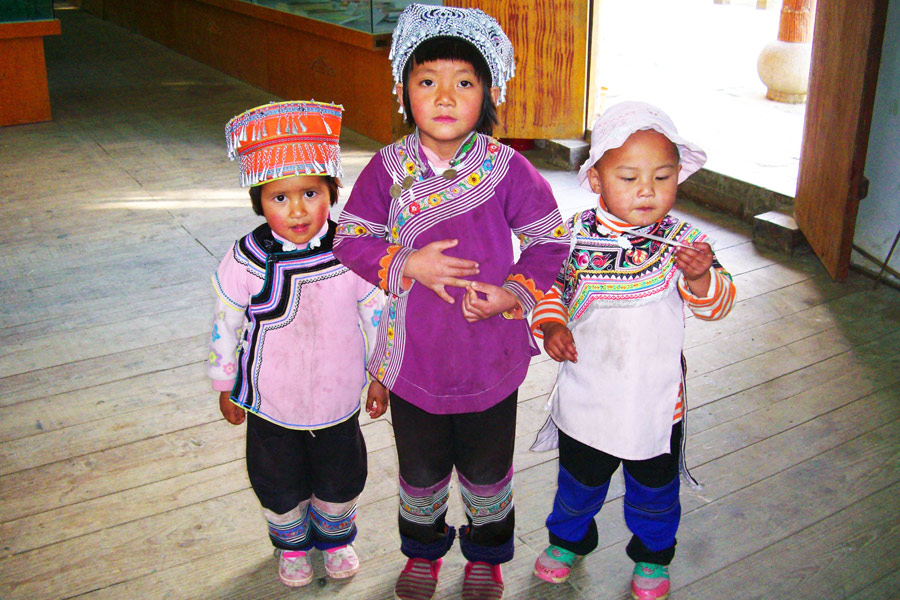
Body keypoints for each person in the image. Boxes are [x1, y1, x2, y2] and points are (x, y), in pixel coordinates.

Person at [332, 5, 570, 599]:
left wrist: (512, 292)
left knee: (489, 471)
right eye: (427, 81)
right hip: (414, 360)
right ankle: (423, 551)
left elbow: (550, 241)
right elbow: (350, 238)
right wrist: (405, 261)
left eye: (464, 82)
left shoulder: (509, 168)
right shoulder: (387, 169)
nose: (444, 96)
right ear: (404, 92)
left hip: (490, 355)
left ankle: (487, 557)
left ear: (489, 93)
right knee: (419, 470)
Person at [529, 101, 737, 600]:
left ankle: (652, 554)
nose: (647, 189)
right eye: (628, 177)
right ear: (597, 180)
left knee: (654, 493)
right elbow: (545, 286)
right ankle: (568, 538)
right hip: (588, 393)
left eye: (663, 176)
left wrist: (700, 275)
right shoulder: (572, 235)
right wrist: (552, 322)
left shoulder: (684, 242)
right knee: (578, 481)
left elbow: (718, 305)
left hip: (657, 402)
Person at [208, 100, 388, 588]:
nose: (298, 209)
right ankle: (291, 544)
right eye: (279, 198)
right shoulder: (245, 258)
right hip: (270, 399)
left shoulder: (353, 249)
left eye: (311, 192)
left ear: (332, 190)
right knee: (275, 475)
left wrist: (380, 373)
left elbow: (377, 311)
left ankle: (335, 538)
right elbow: (226, 321)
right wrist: (226, 383)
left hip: (338, 393)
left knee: (342, 471)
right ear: (258, 202)